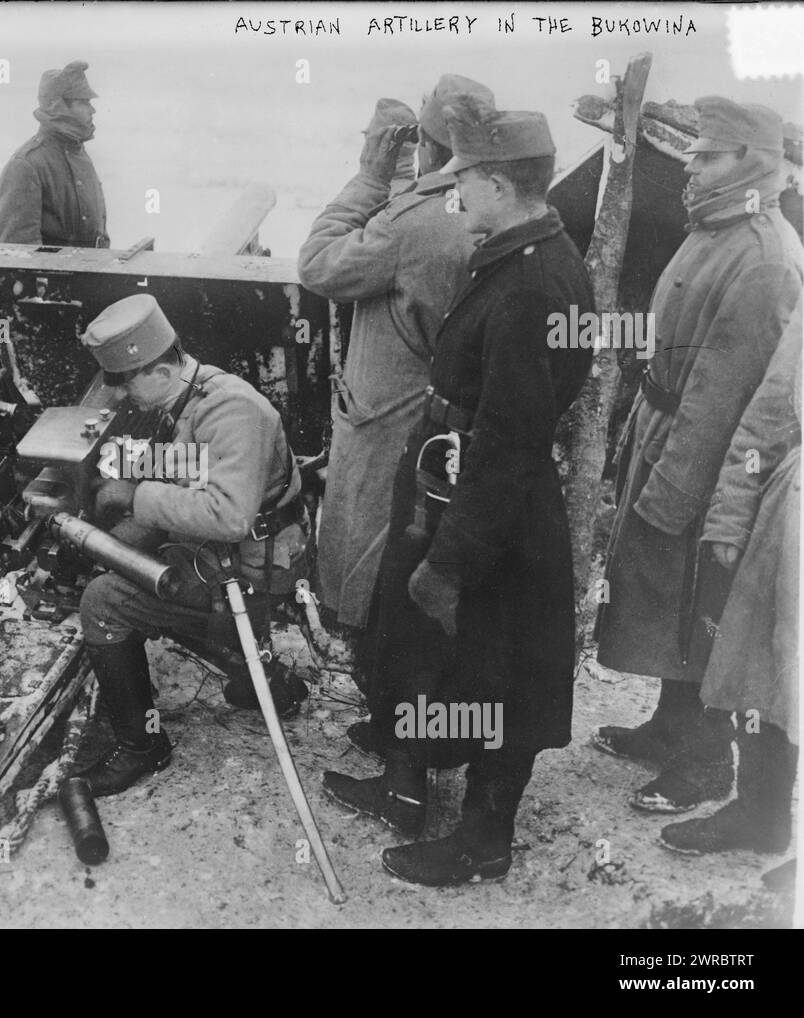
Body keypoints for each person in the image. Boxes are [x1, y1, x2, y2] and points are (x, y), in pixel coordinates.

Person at [325, 100, 595, 885]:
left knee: (496, 675)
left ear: (503, 185)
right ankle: (413, 791)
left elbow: (510, 438)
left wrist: (450, 562)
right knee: (451, 661)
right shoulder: (532, 253)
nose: (455, 194)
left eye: (466, 180)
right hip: (468, 482)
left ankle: (482, 843)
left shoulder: (526, 285)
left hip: (490, 506)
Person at [593, 97, 804, 814]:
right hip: (663, 425)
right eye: (695, 153)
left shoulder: (763, 258)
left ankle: (709, 760)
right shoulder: (716, 225)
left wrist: (674, 486)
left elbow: (723, 397)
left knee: (698, 607)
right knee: (659, 598)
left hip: (703, 454)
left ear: (751, 163)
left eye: (708, 157)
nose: (691, 168)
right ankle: (670, 724)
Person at [297, 75, 494, 757]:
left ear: (428, 144)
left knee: (373, 580)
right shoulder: (482, 214)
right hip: (441, 422)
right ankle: (414, 725)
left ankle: (396, 734)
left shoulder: (416, 221)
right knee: (414, 578)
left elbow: (319, 264)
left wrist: (369, 173)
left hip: (388, 422)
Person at [70, 293, 310, 797]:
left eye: (124, 381)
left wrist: (137, 496)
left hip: (251, 568)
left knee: (106, 601)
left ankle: (142, 745)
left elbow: (228, 513)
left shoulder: (232, 409)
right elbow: (195, 466)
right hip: (227, 553)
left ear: (159, 369)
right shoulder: (195, 390)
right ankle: (263, 676)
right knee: (122, 549)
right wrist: (126, 486)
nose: (119, 395)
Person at [659, 306, 800, 893]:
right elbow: (767, 417)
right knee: (762, 670)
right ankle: (762, 813)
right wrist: (733, 515)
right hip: (791, 522)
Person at [0, 60, 109, 248]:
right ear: (58, 106)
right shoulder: (27, 164)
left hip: (92, 272)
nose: (92, 110)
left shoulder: (78, 151)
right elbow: (17, 254)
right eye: (83, 102)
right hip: (55, 276)